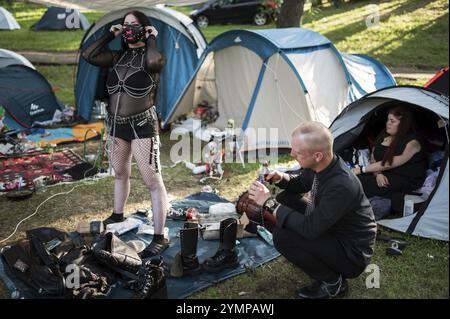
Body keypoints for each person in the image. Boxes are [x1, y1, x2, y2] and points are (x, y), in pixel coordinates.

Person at [248, 122, 377, 299]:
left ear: (317, 155)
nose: (292, 154)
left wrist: (269, 203)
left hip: (351, 253)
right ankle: (313, 258)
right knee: (285, 199)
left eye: (298, 152)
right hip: (333, 228)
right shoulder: (323, 164)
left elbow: (310, 229)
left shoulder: (341, 185)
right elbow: (301, 182)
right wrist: (280, 177)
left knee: (283, 236)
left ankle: (334, 284)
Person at [82, 11, 169, 257]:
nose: (129, 28)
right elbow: (89, 55)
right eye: (126, 25)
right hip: (116, 125)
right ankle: (118, 213)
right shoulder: (118, 56)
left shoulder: (153, 56)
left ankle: (160, 236)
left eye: (135, 25)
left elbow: (153, 64)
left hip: (143, 125)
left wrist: (152, 39)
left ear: (145, 27)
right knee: (120, 173)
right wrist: (111, 34)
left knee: (152, 181)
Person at [352, 106, 427, 206]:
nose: (388, 123)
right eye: (388, 119)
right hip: (385, 172)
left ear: (403, 124)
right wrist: (378, 173)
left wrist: (362, 169)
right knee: (356, 178)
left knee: (363, 183)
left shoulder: (412, 143)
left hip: (405, 177)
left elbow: (389, 163)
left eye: (393, 121)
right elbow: (373, 157)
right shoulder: (384, 135)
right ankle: (392, 198)